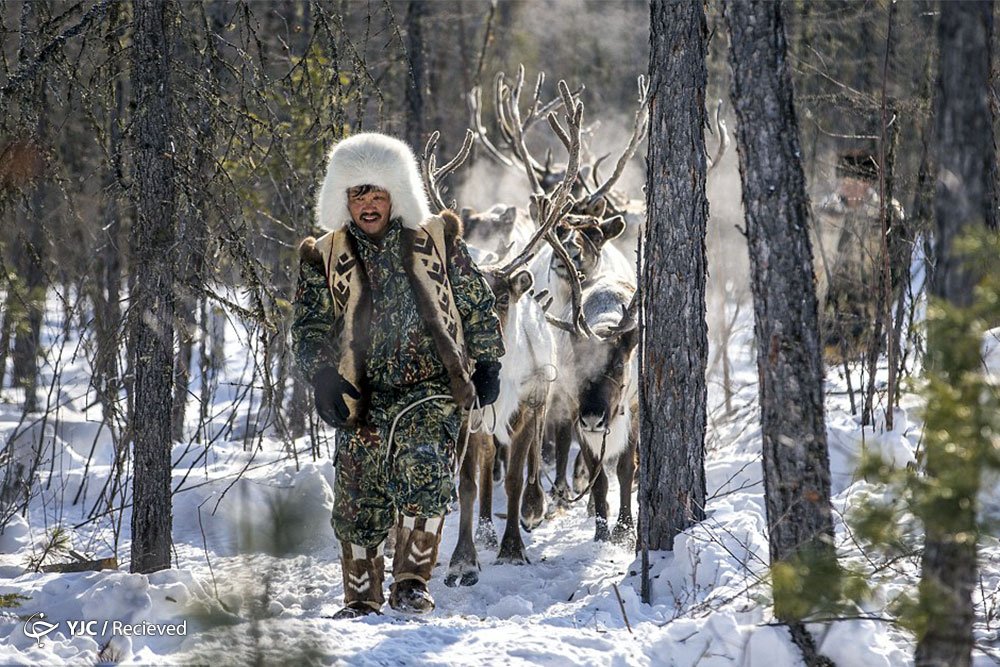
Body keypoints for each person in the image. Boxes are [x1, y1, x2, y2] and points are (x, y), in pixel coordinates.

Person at [292, 132, 504, 618]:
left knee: (425, 469)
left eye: (377, 192)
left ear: (396, 195)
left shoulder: (434, 239)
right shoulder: (325, 256)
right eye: (357, 193)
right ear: (343, 200)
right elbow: (308, 326)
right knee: (357, 496)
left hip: (430, 386)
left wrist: (488, 360)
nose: (368, 202)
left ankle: (411, 582)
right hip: (360, 392)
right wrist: (321, 374)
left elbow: (475, 303)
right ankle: (362, 600)